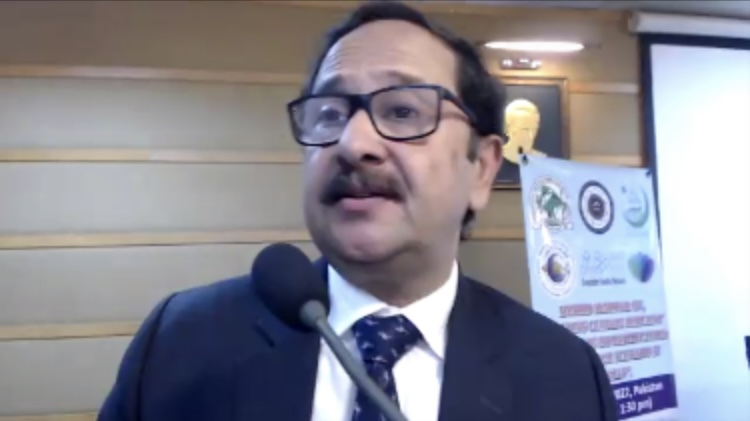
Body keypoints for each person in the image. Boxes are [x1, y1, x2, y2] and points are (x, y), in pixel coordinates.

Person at [98, 2, 618, 420]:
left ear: (481, 169)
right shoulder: (181, 344)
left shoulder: (565, 377)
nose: (353, 143)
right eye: (330, 114)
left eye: (403, 111)